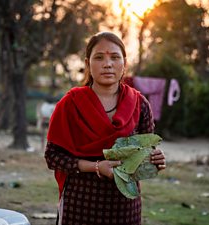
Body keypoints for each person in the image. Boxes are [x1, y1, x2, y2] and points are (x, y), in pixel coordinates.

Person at [44, 31, 166, 225]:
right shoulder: (70, 104)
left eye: (115, 57)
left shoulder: (139, 104)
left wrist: (154, 161)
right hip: (80, 204)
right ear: (87, 64)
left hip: (124, 207)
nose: (107, 64)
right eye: (99, 57)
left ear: (124, 64)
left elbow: (142, 157)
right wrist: (96, 167)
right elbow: (53, 157)